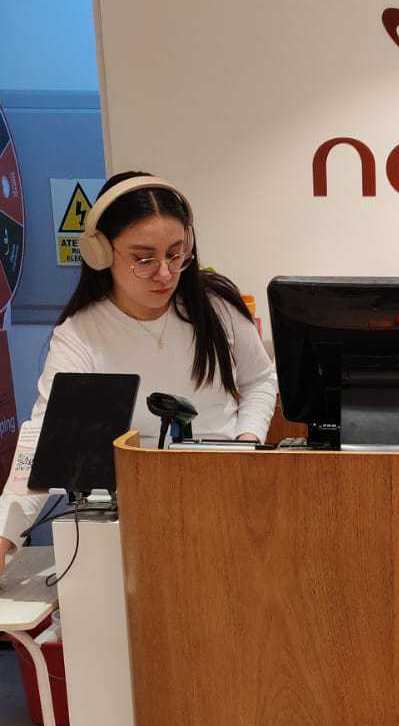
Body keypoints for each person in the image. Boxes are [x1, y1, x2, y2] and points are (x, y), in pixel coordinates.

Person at [0, 172, 277, 563]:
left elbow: (261, 380)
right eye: (143, 259)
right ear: (100, 252)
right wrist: (5, 538)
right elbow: (47, 441)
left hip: (229, 498)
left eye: (176, 254)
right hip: (132, 519)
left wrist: (246, 443)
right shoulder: (81, 334)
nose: (165, 273)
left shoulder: (217, 308)